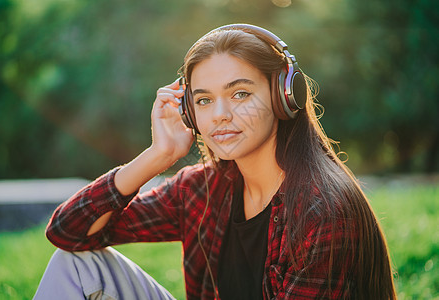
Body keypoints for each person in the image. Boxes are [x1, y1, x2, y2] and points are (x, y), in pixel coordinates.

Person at [34, 24, 397, 300]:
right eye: (204, 100)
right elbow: (68, 232)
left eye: (240, 94)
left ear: (283, 95)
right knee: (76, 265)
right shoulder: (203, 188)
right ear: (189, 112)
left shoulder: (323, 211)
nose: (219, 115)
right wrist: (158, 155)